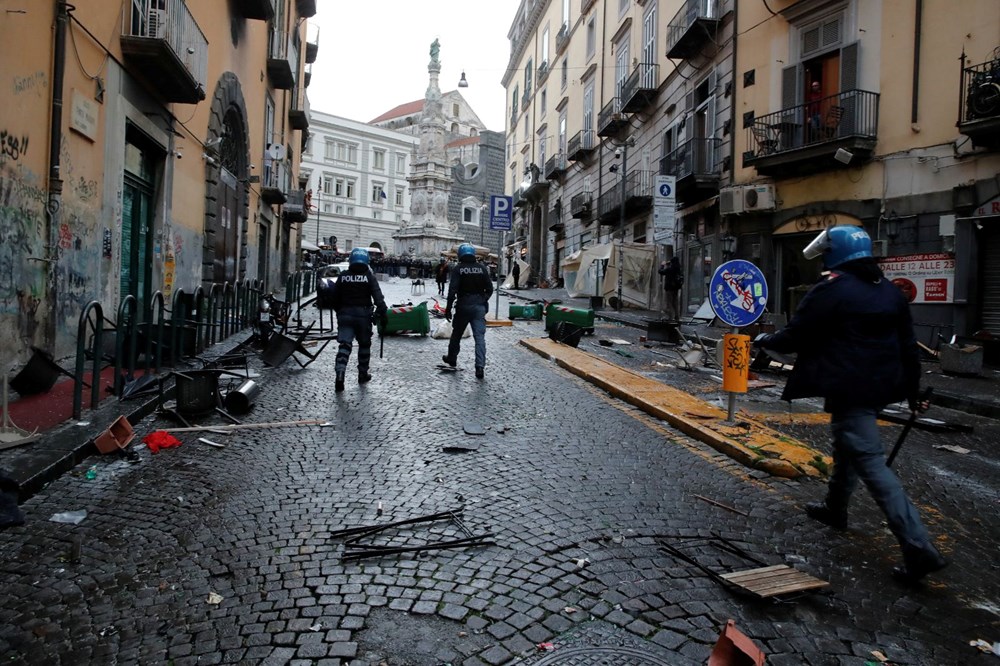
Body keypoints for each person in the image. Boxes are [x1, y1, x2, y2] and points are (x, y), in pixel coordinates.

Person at [754, 225, 947, 585]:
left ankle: (918, 546)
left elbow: (796, 336)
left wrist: (764, 339)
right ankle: (835, 508)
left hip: (851, 388)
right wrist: (913, 391)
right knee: (848, 446)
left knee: (870, 461)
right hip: (882, 387)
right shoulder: (889, 292)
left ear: (835, 254)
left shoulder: (832, 291)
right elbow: (908, 346)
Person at [330, 248, 387, 392]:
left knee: (344, 345)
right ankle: (362, 373)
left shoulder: (343, 276)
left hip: (345, 315)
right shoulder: (368, 276)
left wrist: (340, 312)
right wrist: (383, 311)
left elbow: (334, 298)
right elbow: (378, 296)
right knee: (364, 345)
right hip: (363, 315)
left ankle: (340, 375)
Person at [442, 243, 493, 379]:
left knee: (457, 334)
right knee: (480, 338)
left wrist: (448, 308)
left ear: (460, 255)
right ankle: (480, 367)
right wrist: (483, 299)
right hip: (479, 307)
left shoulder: (458, 269)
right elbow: (490, 289)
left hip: (463, 306)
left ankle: (452, 358)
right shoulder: (482, 269)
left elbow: (452, 290)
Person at [658, 256, 683, 321]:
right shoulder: (679, 269)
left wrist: (662, 265)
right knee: (675, 303)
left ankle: (670, 317)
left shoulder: (669, 269)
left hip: (669, 288)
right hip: (676, 289)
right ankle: (677, 317)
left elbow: (660, 271)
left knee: (669, 303)